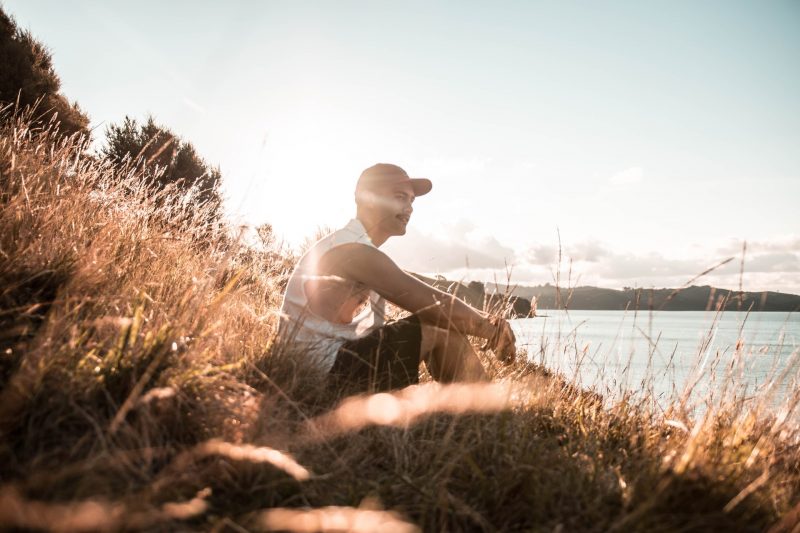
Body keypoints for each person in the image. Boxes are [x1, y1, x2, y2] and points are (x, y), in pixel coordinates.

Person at [278, 163, 516, 395]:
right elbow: (432, 303)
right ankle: (495, 417)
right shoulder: (351, 249)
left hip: (328, 366)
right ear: (367, 197)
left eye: (411, 200)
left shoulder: (354, 245)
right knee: (439, 327)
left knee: (440, 327)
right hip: (319, 376)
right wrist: (492, 330)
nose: (410, 207)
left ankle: (484, 414)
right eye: (400, 197)